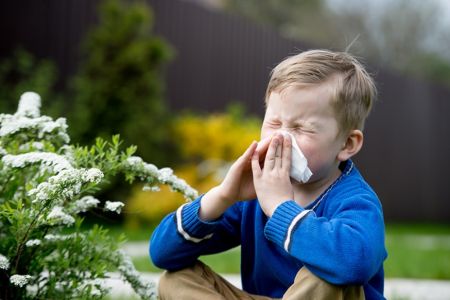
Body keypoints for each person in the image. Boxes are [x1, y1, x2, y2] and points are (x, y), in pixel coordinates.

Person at [150, 49, 387, 300]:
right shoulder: (254, 194)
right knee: (175, 279)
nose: (280, 137)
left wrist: (280, 208)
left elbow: (353, 265)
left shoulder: (356, 201)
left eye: (300, 128)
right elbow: (162, 254)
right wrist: (222, 196)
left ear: (347, 144)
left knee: (326, 275)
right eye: (274, 123)